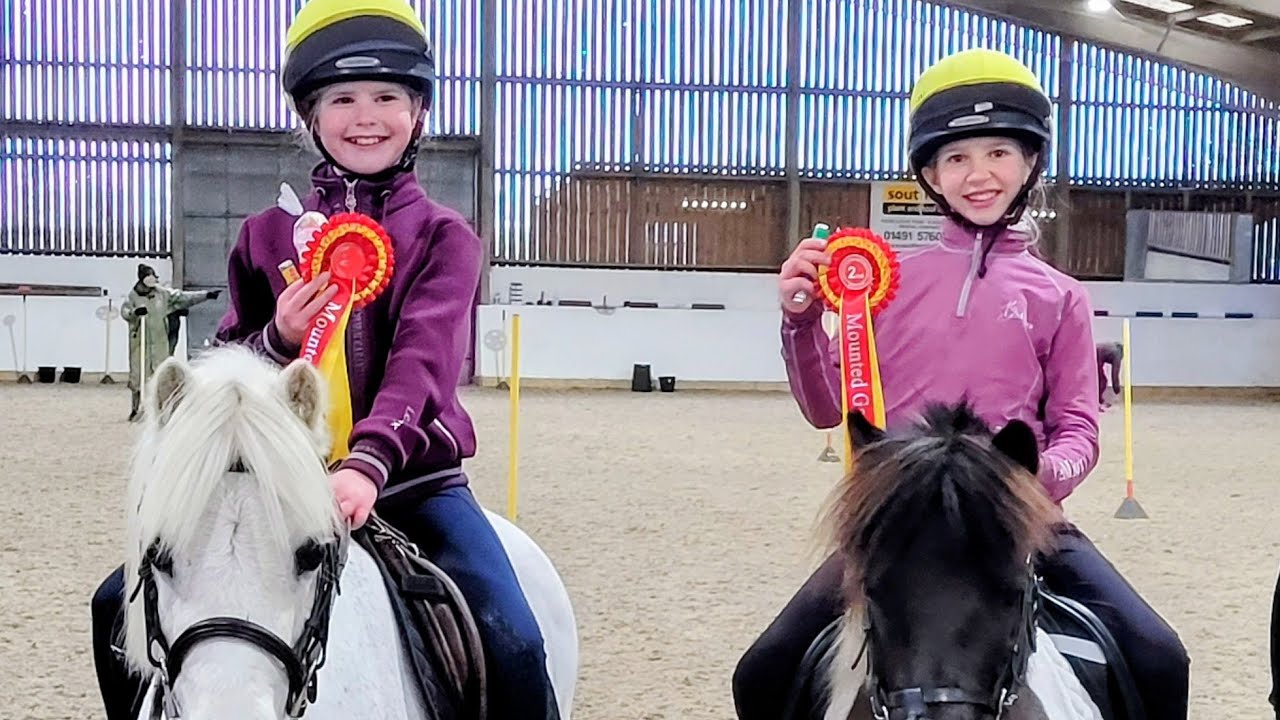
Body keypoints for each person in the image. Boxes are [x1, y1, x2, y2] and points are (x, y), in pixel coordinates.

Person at [89, 2, 560, 719]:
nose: (365, 116)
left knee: (514, 639)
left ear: (418, 114)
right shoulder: (264, 236)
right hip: (279, 487)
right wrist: (275, 338)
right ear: (311, 115)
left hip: (416, 486)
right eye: (342, 98)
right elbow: (231, 378)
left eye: (387, 98)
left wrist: (369, 462)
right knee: (113, 605)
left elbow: (424, 363)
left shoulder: (444, 237)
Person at [732, 48, 1188, 720]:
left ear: (1030, 162)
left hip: (1020, 524)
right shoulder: (886, 286)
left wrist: (1016, 490)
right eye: (956, 158)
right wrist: (802, 326)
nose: (979, 174)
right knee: (763, 669)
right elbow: (827, 406)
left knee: (1159, 654)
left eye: (999, 152)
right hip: (901, 528)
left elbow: (1078, 430)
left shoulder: (1060, 297)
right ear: (931, 176)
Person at [120, 263, 218, 421]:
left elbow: (183, 297)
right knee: (138, 375)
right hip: (141, 342)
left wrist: (206, 295)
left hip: (159, 342)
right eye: (148, 276)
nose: (152, 279)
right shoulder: (133, 296)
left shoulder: (162, 294)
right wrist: (135, 313)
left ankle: (161, 408)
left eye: (153, 276)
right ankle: (136, 408)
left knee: (160, 373)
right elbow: (125, 312)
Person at [1097, 340, 1124, 408]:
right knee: (1101, 381)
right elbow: (1115, 376)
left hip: (1093, 354)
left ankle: (1099, 401)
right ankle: (1097, 403)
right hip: (1094, 356)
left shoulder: (1111, 348)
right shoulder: (1117, 354)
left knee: (1101, 380)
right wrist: (1117, 392)